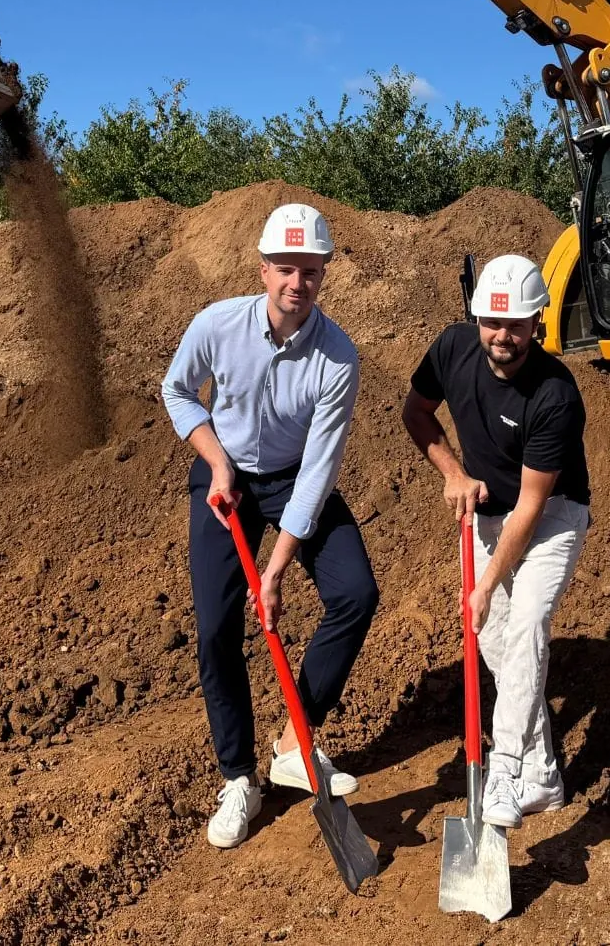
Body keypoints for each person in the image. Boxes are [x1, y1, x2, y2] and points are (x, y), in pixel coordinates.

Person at [160, 203, 380, 850]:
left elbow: (320, 466)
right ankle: (239, 777)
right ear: (263, 269)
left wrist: (278, 564)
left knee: (355, 592)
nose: (297, 283)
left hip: (291, 478)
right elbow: (178, 390)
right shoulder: (217, 325)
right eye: (285, 268)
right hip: (224, 476)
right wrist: (215, 459)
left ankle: (294, 739)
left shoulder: (337, 358)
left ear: (323, 275)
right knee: (215, 628)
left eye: (310, 271)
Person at [400, 254, 591, 829]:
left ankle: (505, 772)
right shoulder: (452, 349)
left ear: (538, 322)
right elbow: (416, 414)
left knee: (528, 621)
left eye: (516, 324)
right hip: (488, 514)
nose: (501, 335)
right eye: (491, 321)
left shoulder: (555, 394)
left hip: (553, 516)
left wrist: (484, 584)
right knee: (501, 648)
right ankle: (544, 778)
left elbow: (531, 509)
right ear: (475, 314)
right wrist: (453, 473)